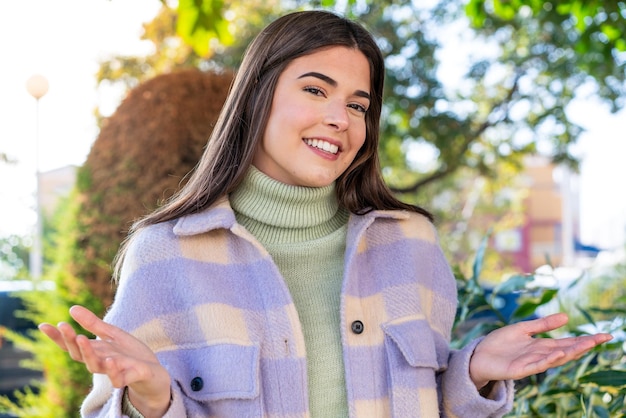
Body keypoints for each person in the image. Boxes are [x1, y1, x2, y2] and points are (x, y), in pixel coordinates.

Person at [39, 10, 612, 418]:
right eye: (316, 90)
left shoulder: (411, 244)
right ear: (257, 96)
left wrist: (473, 370)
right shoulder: (165, 254)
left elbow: (434, 405)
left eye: (358, 105)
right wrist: (151, 399)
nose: (341, 117)